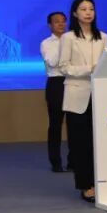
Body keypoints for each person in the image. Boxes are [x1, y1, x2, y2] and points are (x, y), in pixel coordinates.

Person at [59, 0, 107, 203]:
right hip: (77, 96)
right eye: (83, 9)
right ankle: (85, 185)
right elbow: (64, 67)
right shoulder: (68, 37)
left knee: (99, 142)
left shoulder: (103, 37)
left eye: (91, 9)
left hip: (100, 95)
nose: (88, 13)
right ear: (75, 13)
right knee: (80, 144)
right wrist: (89, 69)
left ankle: (100, 182)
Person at [40, 11, 70, 173]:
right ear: (50, 25)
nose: (61, 24)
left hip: (73, 82)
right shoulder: (46, 43)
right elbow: (52, 62)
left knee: (75, 125)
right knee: (55, 125)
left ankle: (74, 161)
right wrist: (64, 45)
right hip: (56, 84)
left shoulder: (73, 39)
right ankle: (56, 162)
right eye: (57, 21)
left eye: (63, 21)